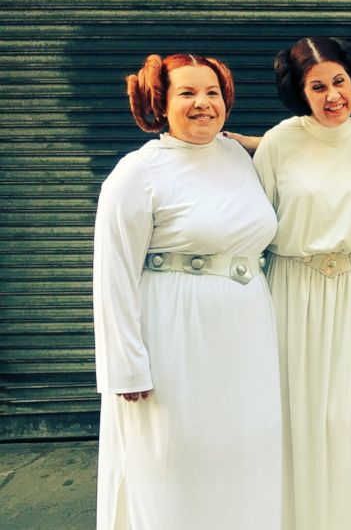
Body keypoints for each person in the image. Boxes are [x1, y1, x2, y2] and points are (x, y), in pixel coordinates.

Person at [93, 53, 281, 529]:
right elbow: (112, 275)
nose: (203, 103)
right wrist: (126, 367)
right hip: (173, 336)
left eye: (213, 92)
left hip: (245, 333)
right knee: (175, 461)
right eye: (188, 93)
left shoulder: (239, 155)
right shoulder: (137, 173)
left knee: (243, 454)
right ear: (161, 102)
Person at [251, 36, 351, 529]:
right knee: (299, 415)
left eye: (339, 81)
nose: (333, 95)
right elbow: (259, 219)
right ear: (299, 90)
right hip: (292, 288)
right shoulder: (277, 144)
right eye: (318, 86)